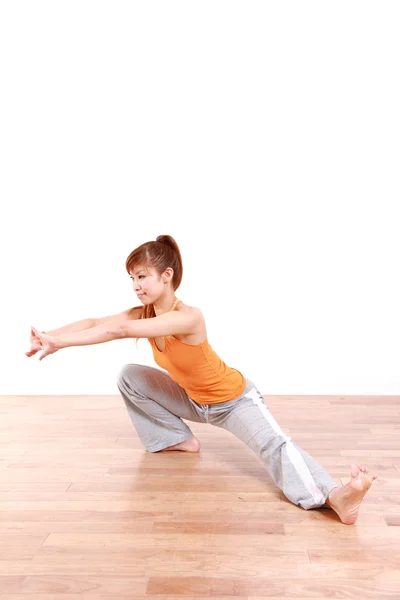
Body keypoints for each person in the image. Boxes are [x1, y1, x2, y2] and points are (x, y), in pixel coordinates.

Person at [27, 234, 377, 525]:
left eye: (142, 276)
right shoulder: (145, 312)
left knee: (276, 446)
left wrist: (61, 343)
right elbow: (94, 322)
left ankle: (336, 497)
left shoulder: (188, 317)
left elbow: (118, 329)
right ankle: (176, 439)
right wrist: (49, 336)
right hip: (193, 399)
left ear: (166, 275)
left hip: (232, 401)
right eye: (132, 278)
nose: (136, 285)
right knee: (130, 377)